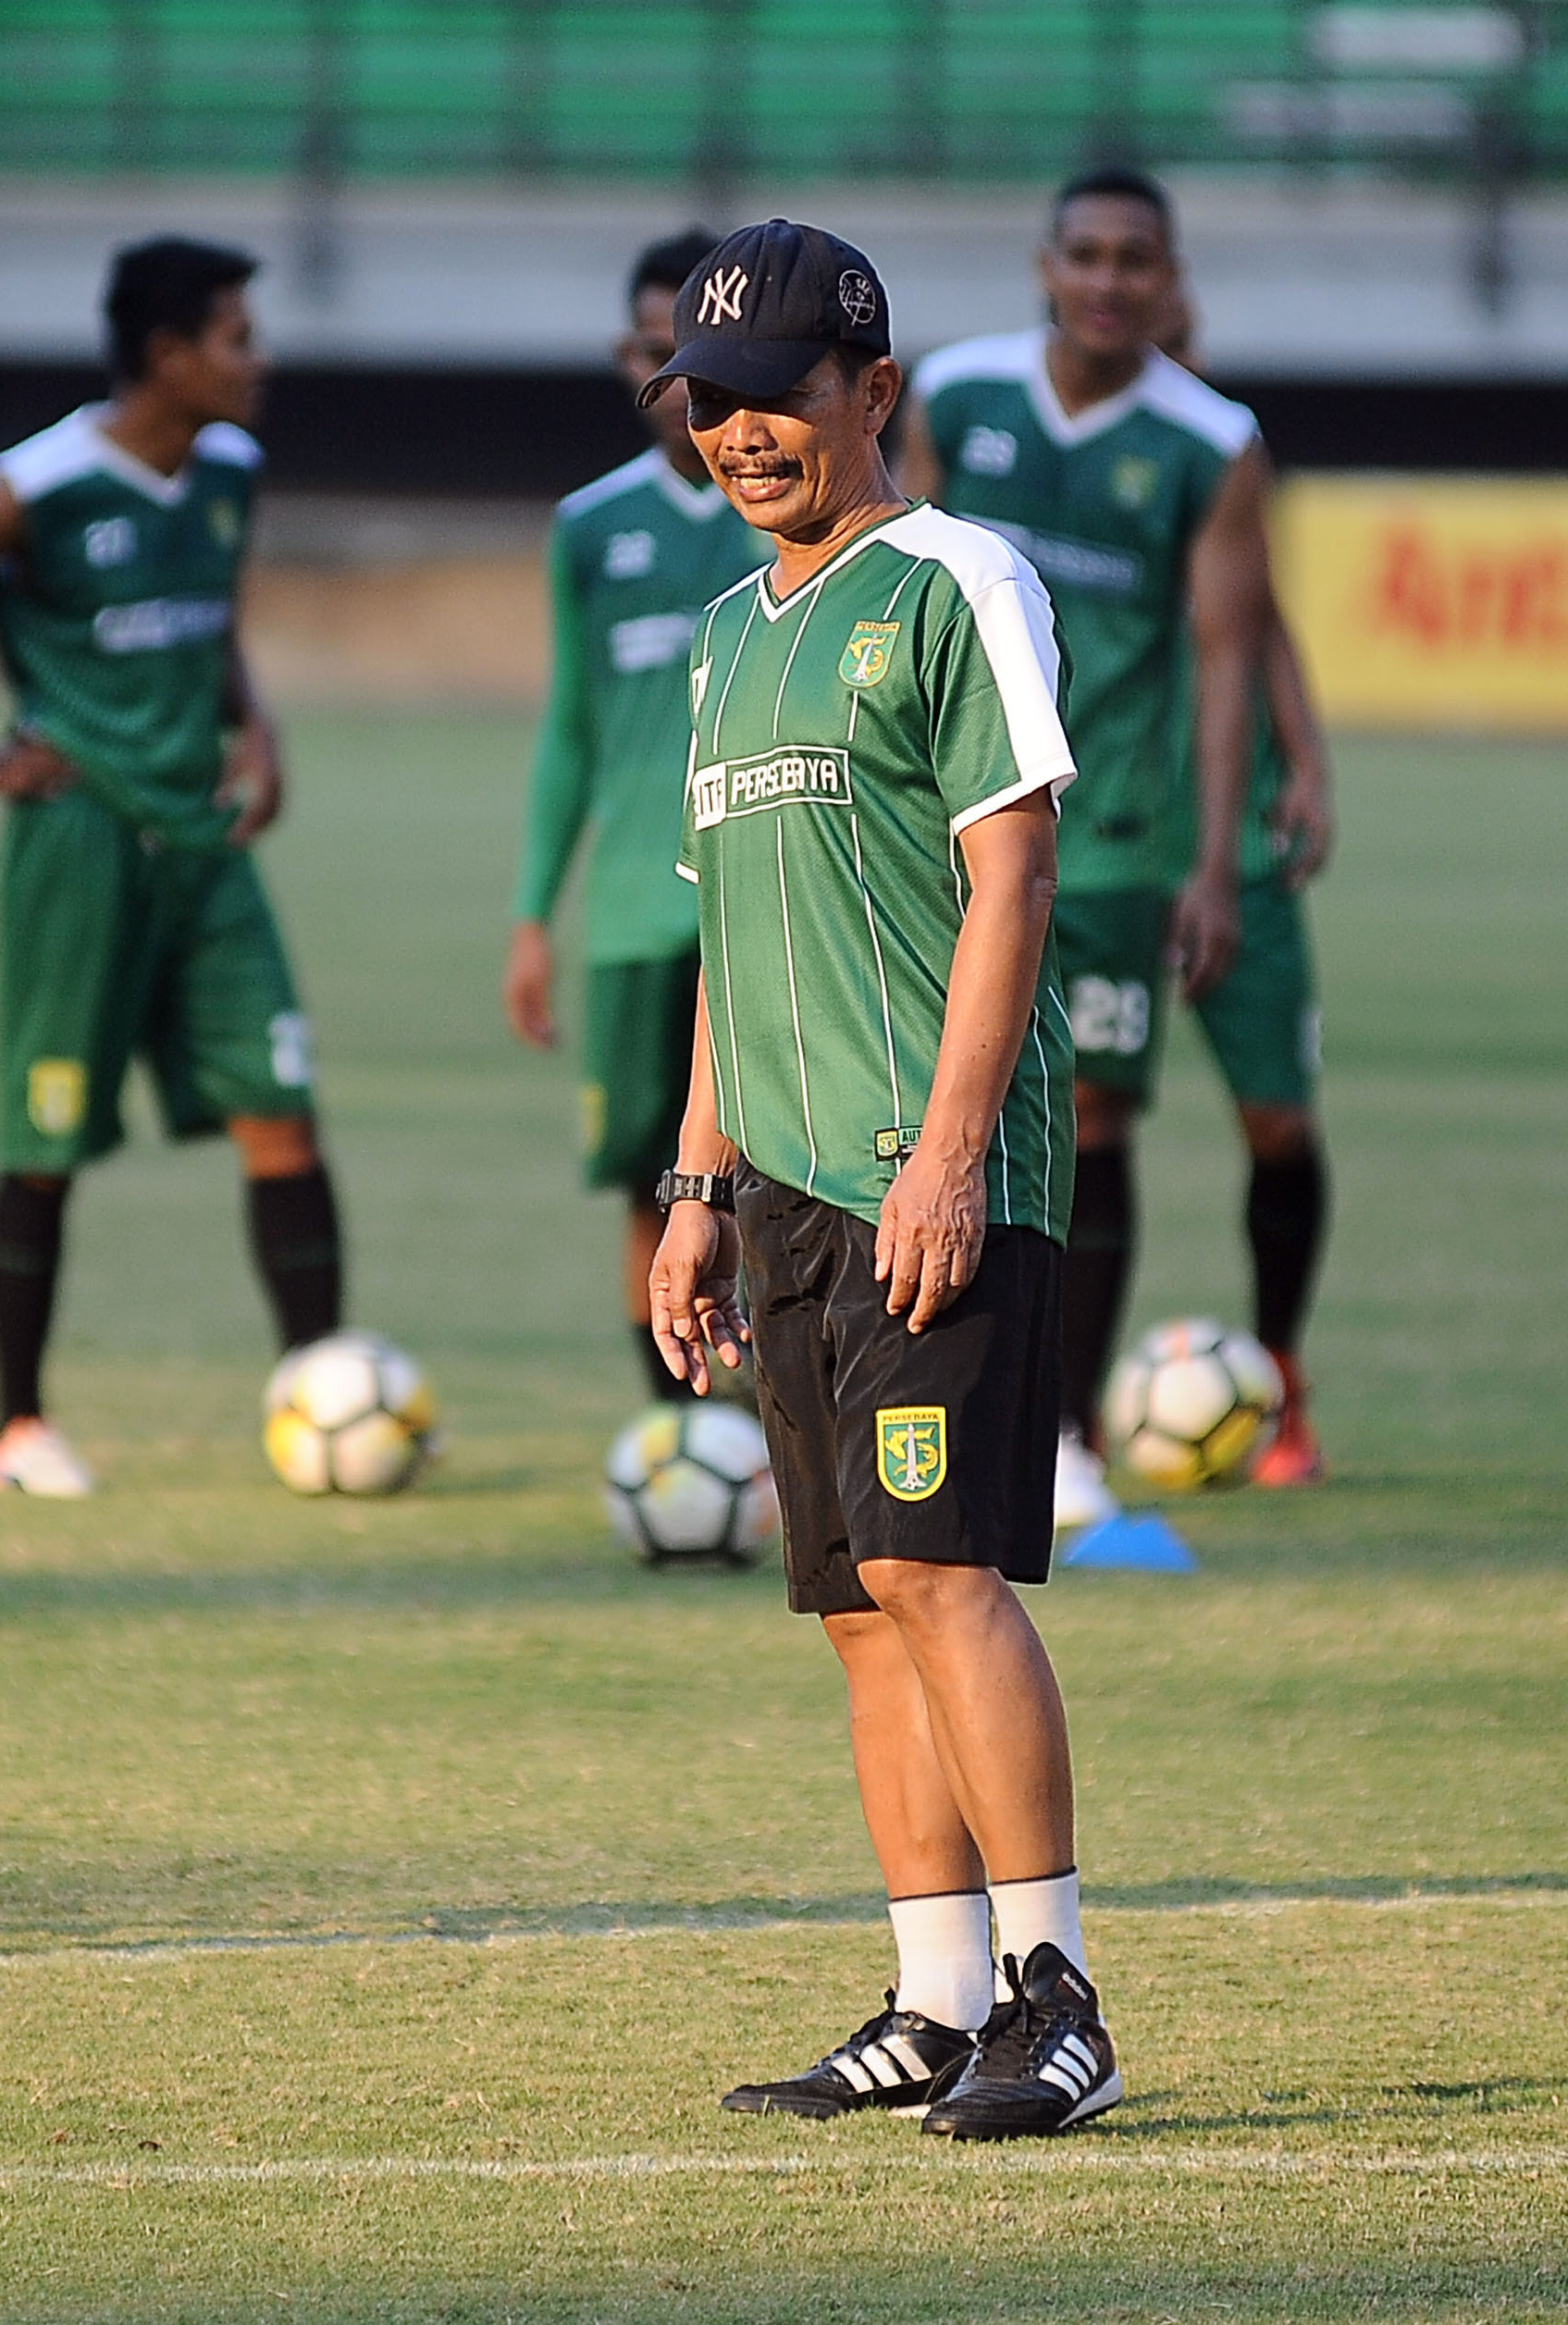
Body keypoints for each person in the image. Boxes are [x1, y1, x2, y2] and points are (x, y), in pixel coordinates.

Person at [644, 219, 1119, 2138]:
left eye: (782, 395)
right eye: (714, 402)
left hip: (944, 1170)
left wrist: (939, 1157)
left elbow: (1015, 874)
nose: (746, 434)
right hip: (783, 1189)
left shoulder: (954, 580)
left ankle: (1053, 1991)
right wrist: (693, 1183)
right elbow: (728, 940)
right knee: (854, 1596)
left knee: (938, 1567)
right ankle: (930, 1998)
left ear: (875, 390)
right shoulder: (721, 638)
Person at [0, 237, 349, 1499]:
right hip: (77, 844)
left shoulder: (229, 468)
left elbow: (209, 615)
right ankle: (17, 1428)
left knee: (281, 1108)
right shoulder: (40, 483)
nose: (260, 358)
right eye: (239, 336)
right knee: (47, 1135)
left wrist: (257, 726)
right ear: (168, 356)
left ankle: (321, 1395)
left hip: (206, 843)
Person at [899, 167, 1278, 1530]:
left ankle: (1059, 1431)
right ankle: (893, 1395)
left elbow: (1229, 656)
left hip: (1108, 839)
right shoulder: (960, 394)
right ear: (1044, 264)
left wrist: (1214, 858)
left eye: (1138, 260)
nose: (1111, 280)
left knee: (1088, 1119)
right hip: (941, 817)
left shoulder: (1211, 438)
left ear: (1168, 282)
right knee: (909, 1096)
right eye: (1088, 254)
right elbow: (901, 564)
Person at [505, 227, 770, 1404]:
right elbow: (570, 728)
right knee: (645, 1183)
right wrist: (529, 915)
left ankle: (775, 1432)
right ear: (630, 359)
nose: (686, 379)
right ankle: (679, 1430)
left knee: (765, 1179)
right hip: (625, 915)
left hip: (757, 905)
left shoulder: (785, 505)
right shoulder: (589, 526)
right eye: (665, 351)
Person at [1152, 293, 1333, 1483]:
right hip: (1092, 830)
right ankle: (1044, 1412)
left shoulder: (1217, 442)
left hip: (1234, 854)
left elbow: (1254, 616)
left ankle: (1279, 1374)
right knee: (1068, 1131)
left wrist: (1307, 754)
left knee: (1276, 1121)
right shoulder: (1022, 441)